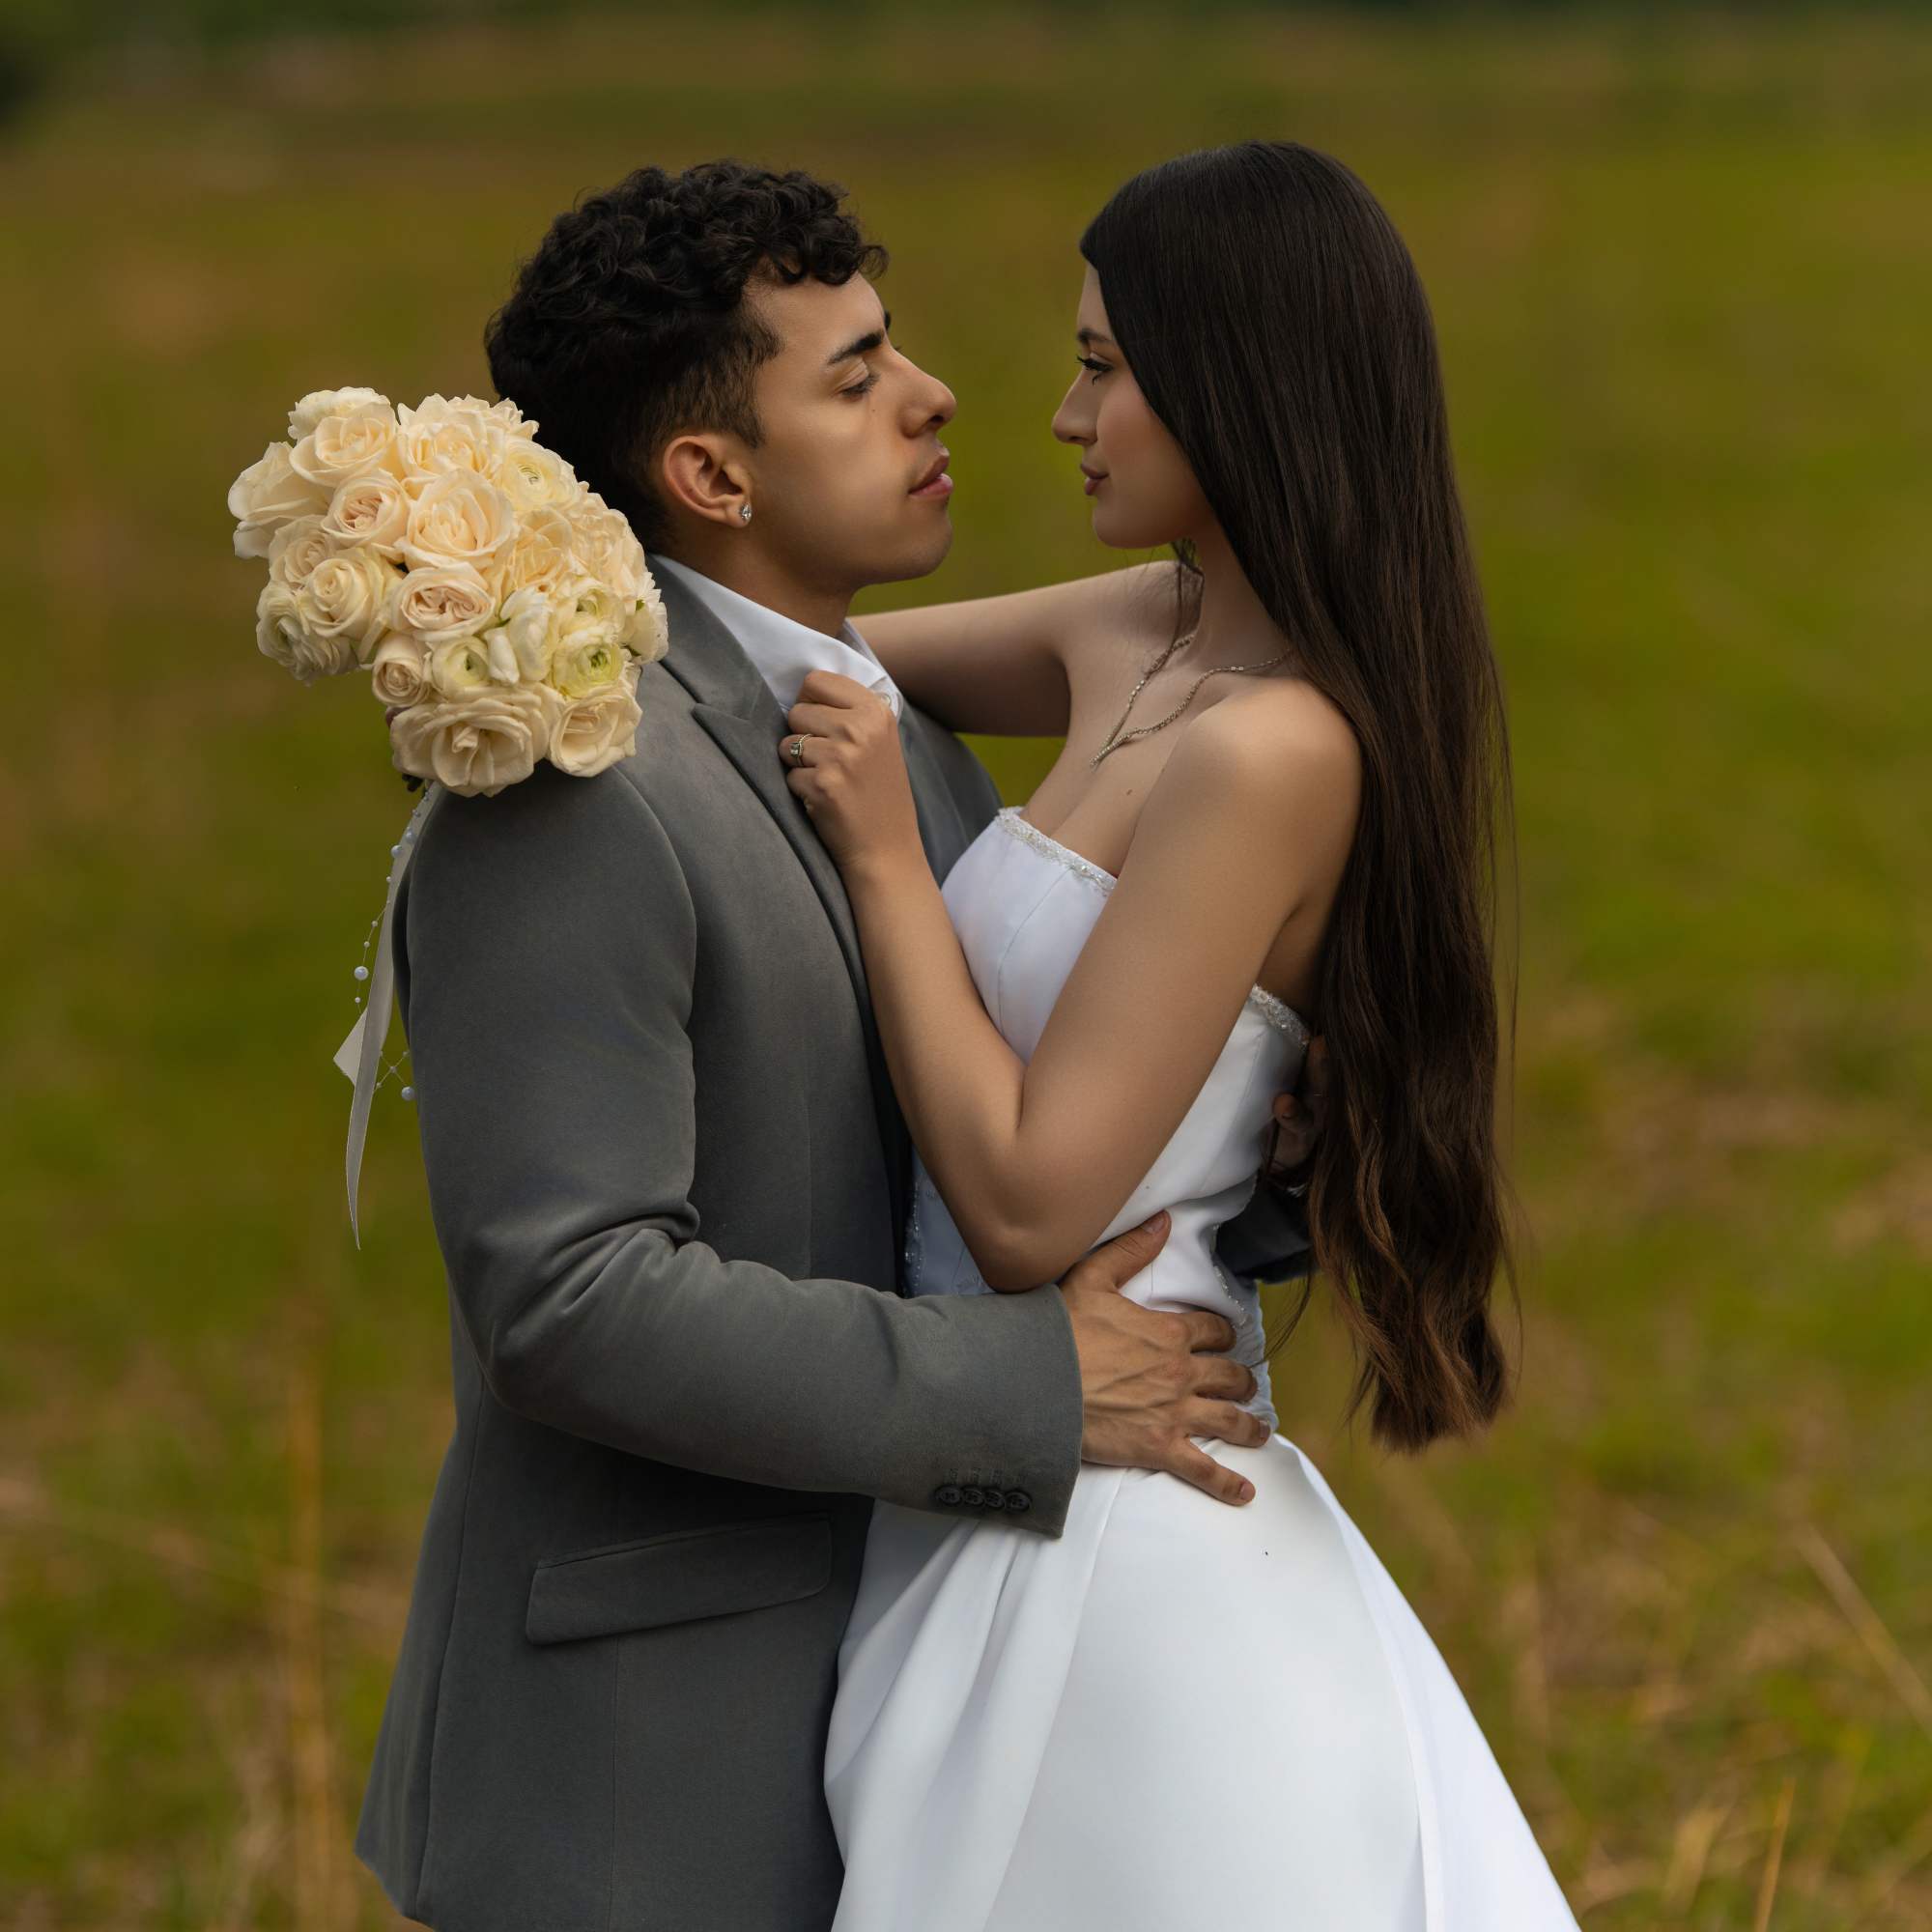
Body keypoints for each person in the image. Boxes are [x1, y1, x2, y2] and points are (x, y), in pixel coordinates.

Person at [351, 158, 1318, 1931]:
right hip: (652, 1765)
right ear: (712, 476)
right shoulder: (576, 786)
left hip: (920, 1688)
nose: (938, 393)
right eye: (857, 375)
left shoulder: (869, 721)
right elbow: (568, 1298)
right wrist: (1027, 1388)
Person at [783, 142, 1580, 1927]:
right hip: (996, 1454)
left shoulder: (1271, 751)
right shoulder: (1139, 636)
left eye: (1102, 367)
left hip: (1123, 1518)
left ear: (1237, 385)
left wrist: (894, 864)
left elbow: (1025, 1203)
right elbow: (795, 659)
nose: (1064, 415)